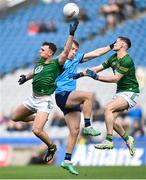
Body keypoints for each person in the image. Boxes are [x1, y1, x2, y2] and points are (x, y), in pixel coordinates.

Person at [11, 19, 79, 163]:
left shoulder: (56, 63)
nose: (40, 50)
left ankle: (51, 147)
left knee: (36, 130)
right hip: (32, 99)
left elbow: (66, 51)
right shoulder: (39, 64)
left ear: (50, 53)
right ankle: (38, 118)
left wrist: (71, 34)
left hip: (44, 101)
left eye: (43, 49)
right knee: (15, 117)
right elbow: (35, 73)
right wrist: (26, 77)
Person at [71, 36, 140, 156]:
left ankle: (108, 140)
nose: (114, 43)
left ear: (123, 45)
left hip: (131, 92)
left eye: (117, 41)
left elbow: (115, 78)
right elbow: (97, 68)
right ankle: (128, 139)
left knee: (107, 108)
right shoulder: (113, 57)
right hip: (120, 92)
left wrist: (97, 77)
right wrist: (80, 74)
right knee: (111, 119)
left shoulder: (127, 60)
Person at [55, 39, 114, 175]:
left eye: (76, 50)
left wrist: (110, 46)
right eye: (72, 49)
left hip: (70, 98)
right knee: (88, 95)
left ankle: (67, 161)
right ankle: (88, 126)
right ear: (66, 48)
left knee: (75, 131)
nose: (74, 52)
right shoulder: (60, 60)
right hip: (62, 95)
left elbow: (95, 53)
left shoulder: (76, 58)